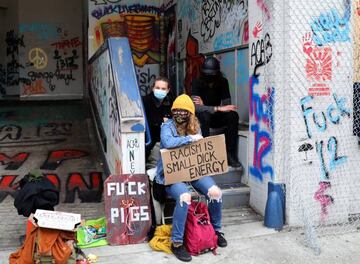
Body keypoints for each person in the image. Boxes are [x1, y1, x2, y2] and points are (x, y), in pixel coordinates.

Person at [154, 94, 227, 262]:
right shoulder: (167, 126)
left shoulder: (196, 126)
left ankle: (215, 231)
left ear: (190, 113)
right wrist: (190, 139)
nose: (179, 113)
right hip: (172, 174)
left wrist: (196, 138)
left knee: (216, 192)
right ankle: (177, 243)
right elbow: (168, 142)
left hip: (193, 171)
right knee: (184, 197)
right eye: (176, 110)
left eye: (183, 110)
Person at [191, 57, 242, 168]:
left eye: (212, 75)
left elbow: (227, 106)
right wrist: (215, 108)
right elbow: (195, 108)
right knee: (204, 115)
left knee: (233, 115)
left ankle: (230, 154)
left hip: (216, 116)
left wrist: (205, 105)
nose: (210, 77)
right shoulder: (196, 82)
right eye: (207, 74)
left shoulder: (223, 82)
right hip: (203, 117)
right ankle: (204, 154)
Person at [142, 76, 173, 162]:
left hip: (165, 140)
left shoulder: (170, 102)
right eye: (157, 88)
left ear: (168, 90)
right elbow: (146, 121)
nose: (160, 90)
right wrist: (162, 120)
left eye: (163, 89)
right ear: (153, 88)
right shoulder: (144, 101)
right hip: (149, 141)